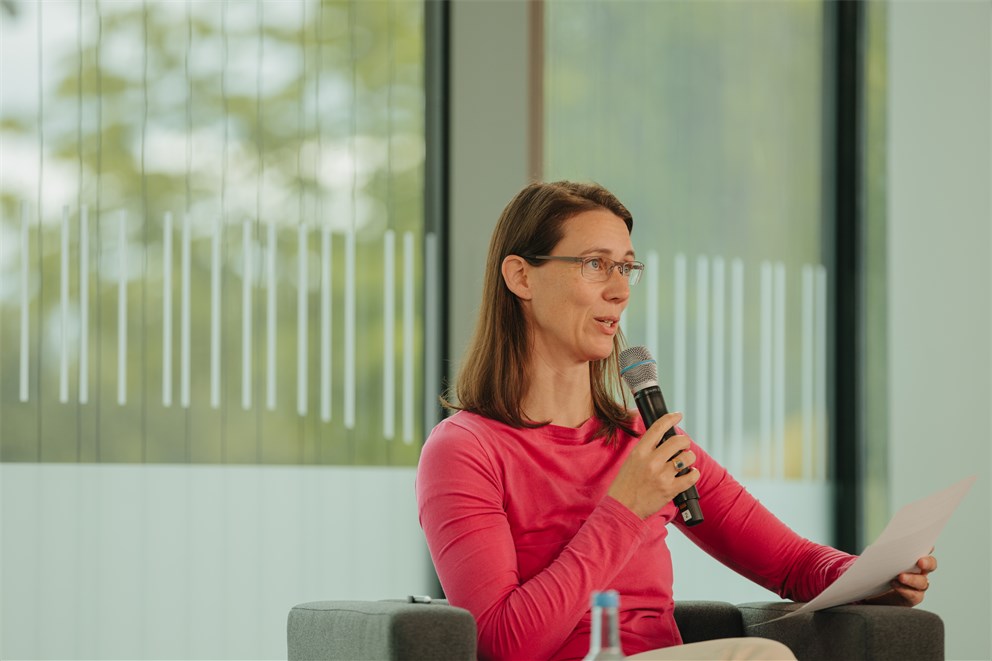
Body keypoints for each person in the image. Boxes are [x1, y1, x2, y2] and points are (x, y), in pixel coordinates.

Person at [415, 181, 936, 661]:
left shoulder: (645, 440)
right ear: (521, 276)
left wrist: (873, 577)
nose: (620, 290)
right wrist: (625, 509)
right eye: (595, 264)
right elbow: (501, 644)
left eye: (626, 268)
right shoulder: (464, 449)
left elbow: (791, 563)